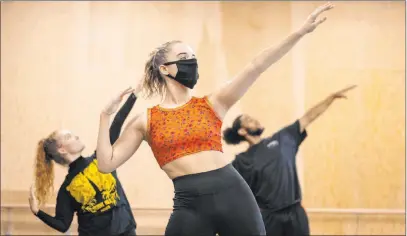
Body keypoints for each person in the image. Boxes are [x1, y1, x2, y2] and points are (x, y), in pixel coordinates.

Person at [95, 3, 334, 235]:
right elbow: (106, 164)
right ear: (165, 69)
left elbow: (257, 65)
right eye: (183, 56)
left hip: (233, 194)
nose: (192, 61)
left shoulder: (213, 103)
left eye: (193, 56)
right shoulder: (145, 120)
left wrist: (299, 33)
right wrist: (105, 115)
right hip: (189, 204)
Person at [223, 85, 356, 236]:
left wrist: (330, 99)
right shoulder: (242, 161)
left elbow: (308, 117)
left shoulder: (283, 138)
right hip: (269, 219)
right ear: (242, 131)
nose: (253, 119)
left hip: (295, 214)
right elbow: (228, 191)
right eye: (248, 120)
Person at [28, 90, 138, 236]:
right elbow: (62, 224)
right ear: (62, 149)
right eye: (69, 137)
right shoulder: (67, 189)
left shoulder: (101, 158)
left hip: (127, 231)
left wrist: (134, 95)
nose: (76, 137)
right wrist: (37, 212)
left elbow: (117, 124)